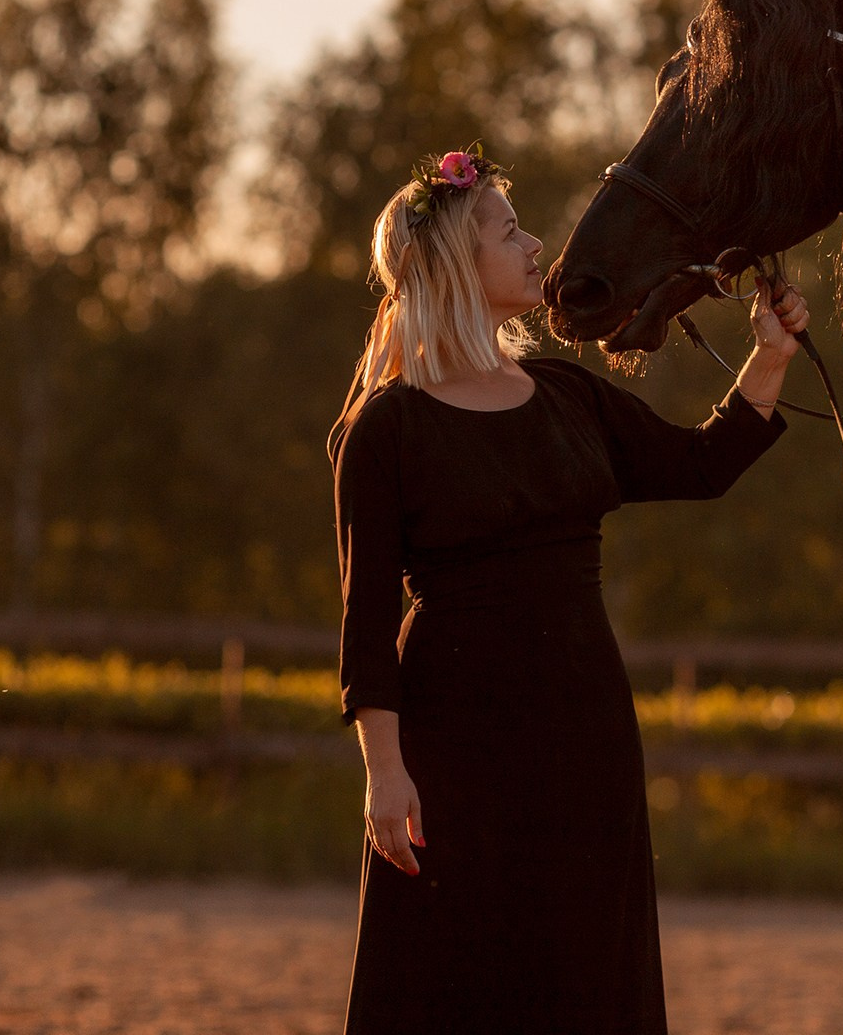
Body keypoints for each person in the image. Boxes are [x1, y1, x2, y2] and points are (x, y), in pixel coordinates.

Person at [329, 145, 805, 1032]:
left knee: (588, 960)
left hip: (585, 729)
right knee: (456, 971)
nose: (536, 244)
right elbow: (363, 621)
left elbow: (699, 466)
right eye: (509, 232)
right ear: (457, 268)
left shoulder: (564, 395)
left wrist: (769, 357)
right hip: (451, 741)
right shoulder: (384, 429)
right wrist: (384, 775)